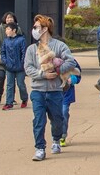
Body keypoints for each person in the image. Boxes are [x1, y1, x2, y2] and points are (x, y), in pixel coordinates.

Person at [25, 14, 76, 161]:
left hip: (55, 91)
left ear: (45, 28)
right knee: (38, 121)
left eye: (36, 27)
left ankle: (56, 139)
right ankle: (40, 148)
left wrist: (57, 70)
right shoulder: (31, 49)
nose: (34, 30)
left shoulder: (60, 46)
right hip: (38, 91)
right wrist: (42, 74)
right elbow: (28, 68)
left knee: (57, 119)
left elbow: (71, 62)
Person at [0, 11, 21, 105]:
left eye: (11, 18)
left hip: (13, 59)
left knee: (11, 79)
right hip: (1, 59)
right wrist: (0, 53)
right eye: (8, 18)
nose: (9, 19)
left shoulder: (18, 29)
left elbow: (20, 42)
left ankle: (11, 98)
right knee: (1, 76)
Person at [0, 22, 29, 110]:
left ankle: (24, 99)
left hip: (20, 67)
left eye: (8, 29)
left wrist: (22, 63)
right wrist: (5, 61)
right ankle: (9, 103)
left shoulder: (21, 40)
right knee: (9, 85)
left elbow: (24, 52)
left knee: (20, 84)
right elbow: (3, 52)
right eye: (6, 29)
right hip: (9, 67)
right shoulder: (6, 41)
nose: (6, 31)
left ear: (14, 30)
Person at [59, 60, 81, 147]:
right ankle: (56, 136)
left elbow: (78, 75)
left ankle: (62, 136)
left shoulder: (71, 60)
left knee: (64, 112)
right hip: (53, 91)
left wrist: (72, 79)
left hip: (66, 92)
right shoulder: (50, 58)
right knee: (55, 115)